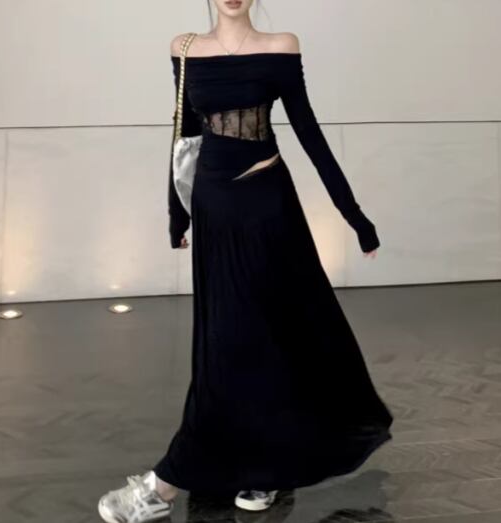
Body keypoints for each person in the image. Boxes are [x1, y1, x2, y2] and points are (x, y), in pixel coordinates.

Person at [98, 1, 394, 521]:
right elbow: (184, 134)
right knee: (225, 339)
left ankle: (173, 486)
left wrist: (354, 216)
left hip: (267, 203)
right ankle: (253, 467)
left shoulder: (281, 46)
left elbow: (308, 130)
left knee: (273, 334)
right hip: (214, 208)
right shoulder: (185, 48)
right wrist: (177, 214)